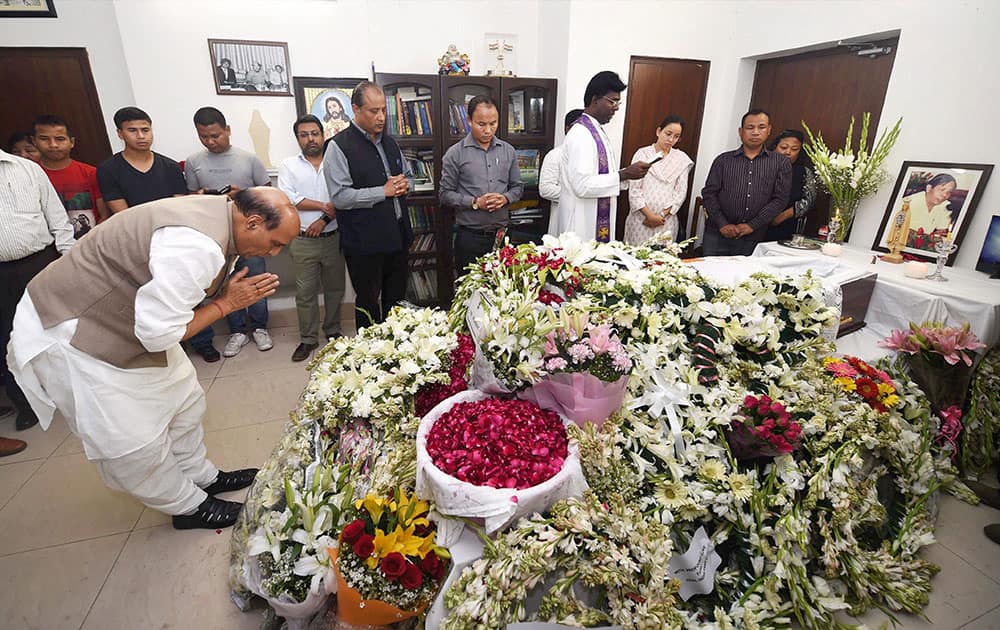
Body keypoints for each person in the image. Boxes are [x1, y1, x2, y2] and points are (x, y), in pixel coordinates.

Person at [8, 188, 300, 530]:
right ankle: (188, 507)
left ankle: (200, 476)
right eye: (276, 242)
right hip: (73, 329)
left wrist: (222, 296)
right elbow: (158, 335)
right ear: (252, 221)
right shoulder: (195, 245)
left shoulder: (223, 214)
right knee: (132, 439)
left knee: (184, 397)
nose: (275, 252)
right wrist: (226, 305)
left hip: (130, 318)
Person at [0, 146, 74, 453]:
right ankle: (26, 402)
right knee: (8, 338)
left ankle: (72, 391)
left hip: (38, 261)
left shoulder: (25, 169)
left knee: (58, 328)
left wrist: (69, 261)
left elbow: (57, 217)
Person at [323, 80, 413, 329]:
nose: (382, 116)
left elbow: (409, 177)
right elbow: (340, 197)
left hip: (397, 237)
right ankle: (371, 357)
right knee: (368, 303)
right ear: (355, 109)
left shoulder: (390, 142)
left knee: (397, 302)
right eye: (374, 111)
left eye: (383, 109)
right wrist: (382, 192)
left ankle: (399, 352)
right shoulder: (337, 147)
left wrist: (406, 184)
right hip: (364, 244)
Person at [185, 106, 273, 358]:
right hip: (214, 238)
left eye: (216, 135)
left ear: (228, 130)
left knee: (256, 279)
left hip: (250, 235)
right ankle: (236, 331)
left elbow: (269, 198)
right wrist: (201, 197)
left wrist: (242, 195)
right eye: (204, 137)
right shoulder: (194, 162)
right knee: (224, 283)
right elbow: (191, 199)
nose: (211, 141)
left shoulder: (249, 159)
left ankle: (259, 327)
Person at [278, 115, 345, 363]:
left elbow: (343, 195)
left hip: (333, 237)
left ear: (323, 134)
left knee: (335, 289)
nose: (310, 139)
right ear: (297, 139)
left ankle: (334, 331)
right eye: (304, 135)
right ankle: (307, 339)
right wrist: (323, 207)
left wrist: (323, 219)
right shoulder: (288, 165)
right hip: (303, 239)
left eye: (315, 133)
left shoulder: (335, 161)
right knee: (305, 293)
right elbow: (289, 197)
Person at [553, 71, 649, 242]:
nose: (617, 107)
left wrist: (626, 174)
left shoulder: (596, 130)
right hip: (581, 227)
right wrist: (624, 174)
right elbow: (582, 185)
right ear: (594, 100)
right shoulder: (581, 134)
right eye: (612, 101)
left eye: (618, 102)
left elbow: (600, 176)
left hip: (592, 222)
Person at [440, 95, 523, 276]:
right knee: (470, 294)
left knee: (503, 292)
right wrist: (476, 202)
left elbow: (518, 187)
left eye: (493, 123)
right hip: (470, 237)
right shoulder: (455, 154)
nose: (488, 130)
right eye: (481, 124)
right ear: (469, 121)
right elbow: (445, 195)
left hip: (502, 235)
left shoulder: (508, 150)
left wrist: (505, 198)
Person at [700, 108, 791, 256]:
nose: (755, 132)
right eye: (750, 127)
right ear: (741, 131)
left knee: (747, 278)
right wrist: (722, 224)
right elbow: (709, 194)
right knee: (710, 275)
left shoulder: (780, 163)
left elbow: (780, 199)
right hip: (717, 233)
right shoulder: (723, 160)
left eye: (761, 127)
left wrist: (752, 225)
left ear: (769, 130)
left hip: (755, 236)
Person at [96, 107, 188, 211]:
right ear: (120, 133)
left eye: (145, 130)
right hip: (132, 225)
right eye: (132, 130)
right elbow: (122, 215)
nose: (141, 136)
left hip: (171, 224)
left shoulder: (171, 167)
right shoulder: (108, 170)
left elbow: (180, 208)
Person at [33, 114, 109, 239]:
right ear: (34, 141)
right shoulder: (30, 176)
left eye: (60, 139)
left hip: (89, 243)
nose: (53, 145)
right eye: (44, 139)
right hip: (48, 249)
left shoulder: (91, 173)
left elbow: (104, 215)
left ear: (71, 142)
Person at [623, 115, 695, 245]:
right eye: (668, 134)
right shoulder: (643, 154)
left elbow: (680, 193)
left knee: (661, 261)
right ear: (658, 131)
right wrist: (650, 216)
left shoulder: (681, 159)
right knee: (636, 259)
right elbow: (634, 190)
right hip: (641, 219)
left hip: (665, 222)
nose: (671, 139)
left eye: (676, 136)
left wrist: (661, 215)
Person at [762, 130, 817, 243]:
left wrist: (783, 216)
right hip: (753, 224)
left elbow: (809, 199)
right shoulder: (761, 166)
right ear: (774, 148)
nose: (788, 152)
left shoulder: (804, 172)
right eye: (783, 147)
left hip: (785, 227)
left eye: (794, 149)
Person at [540, 109, 584, 235]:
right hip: (563, 218)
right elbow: (545, 189)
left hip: (586, 217)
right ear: (567, 129)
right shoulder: (555, 155)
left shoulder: (593, 156)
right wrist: (578, 194)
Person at [904, 173, 958, 250]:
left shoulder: (945, 206)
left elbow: (941, 233)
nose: (944, 195)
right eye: (942, 190)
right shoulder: (910, 202)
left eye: (949, 192)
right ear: (929, 188)